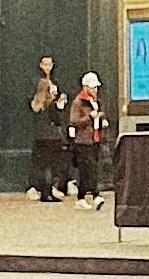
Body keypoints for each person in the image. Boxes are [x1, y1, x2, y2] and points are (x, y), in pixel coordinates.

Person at [29, 55, 71, 202]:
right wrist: (60, 105)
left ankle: (43, 191)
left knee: (42, 165)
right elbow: (57, 119)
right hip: (52, 136)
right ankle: (48, 192)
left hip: (39, 136)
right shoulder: (50, 104)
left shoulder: (37, 103)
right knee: (51, 165)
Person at [68, 75, 107, 202]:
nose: (95, 90)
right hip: (83, 140)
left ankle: (87, 196)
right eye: (92, 87)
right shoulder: (78, 102)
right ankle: (93, 195)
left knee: (92, 168)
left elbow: (98, 114)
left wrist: (101, 119)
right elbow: (74, 121)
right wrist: (90, 117)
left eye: (96, 87)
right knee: (87, 169)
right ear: (85, 87)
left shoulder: (95, 102)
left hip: (95, 138)